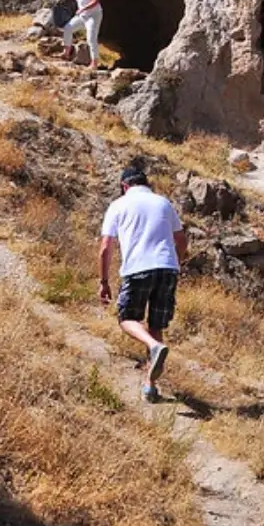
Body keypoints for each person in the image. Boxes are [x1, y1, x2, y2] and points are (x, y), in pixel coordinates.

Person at [98, 162, 187, 402]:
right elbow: (180, 239)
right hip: (168, 268)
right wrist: (177, 262)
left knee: (127, 318)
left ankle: (152, 347)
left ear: (124, 186)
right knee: (156, 323)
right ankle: (150, 385)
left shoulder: (118, 205)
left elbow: (105, 247)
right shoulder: (163, 203)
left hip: (138, 268)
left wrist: (104, 281)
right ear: (146, 184)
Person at [62, 0, 103, 68]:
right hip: (83, 16)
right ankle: (66, 52)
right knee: (68, 27)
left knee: (91, 38)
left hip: (93, 16)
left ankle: (94, 63)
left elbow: (95, 1)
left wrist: (83, 9)